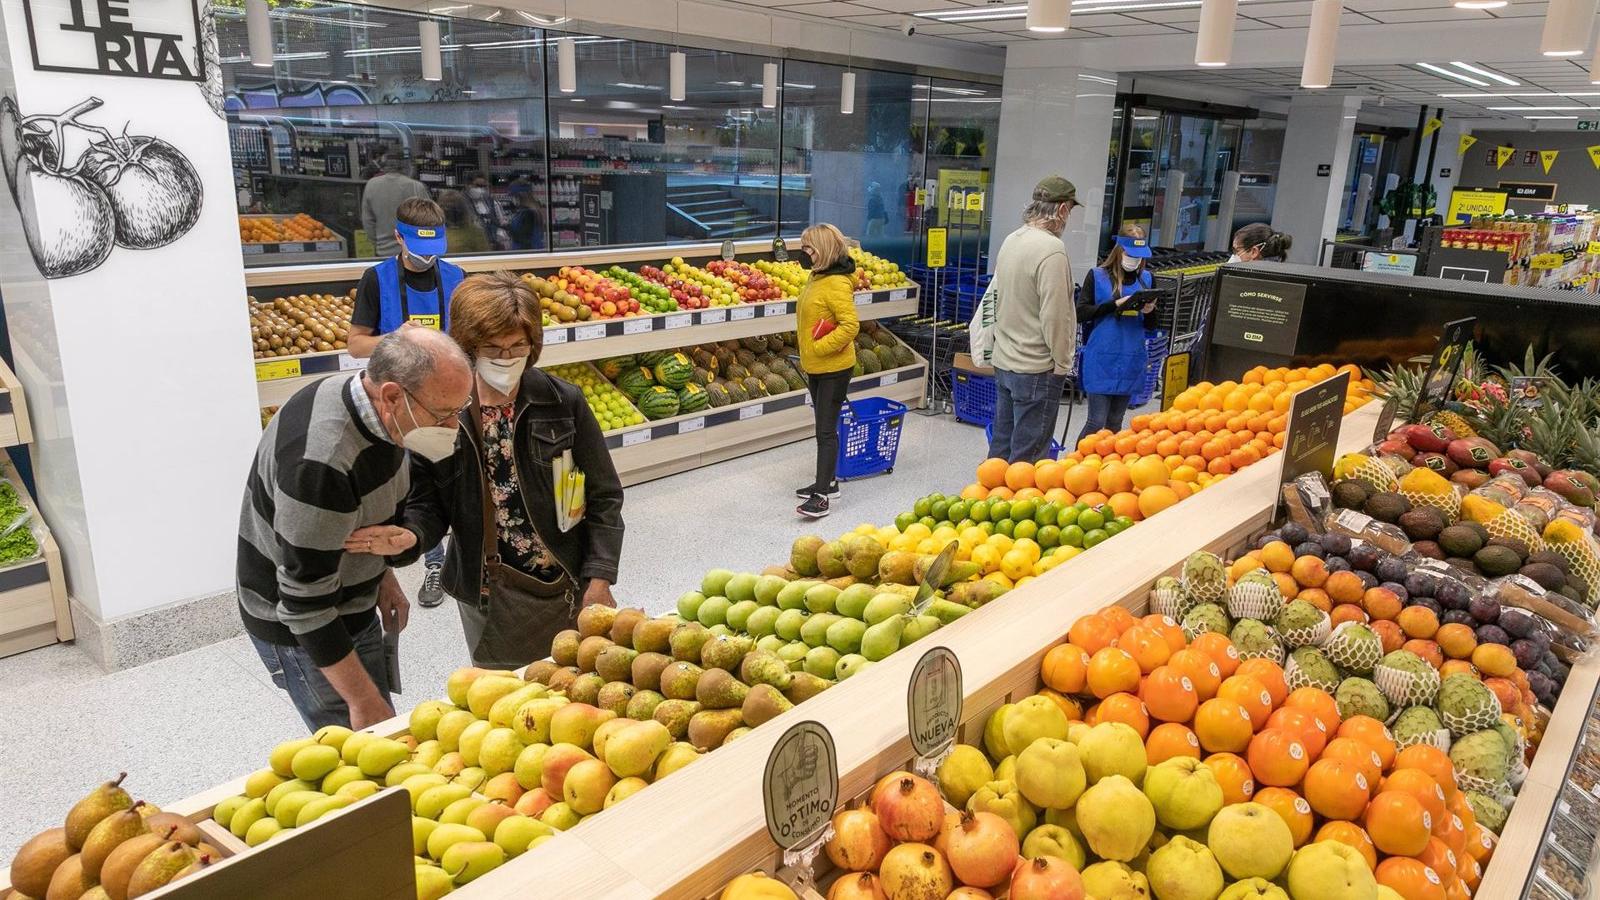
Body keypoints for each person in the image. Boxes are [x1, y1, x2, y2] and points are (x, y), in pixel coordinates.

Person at [238, 329, 473, 731]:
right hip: (303, 628)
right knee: (360, 746)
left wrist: (383, 576)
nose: (452, 425)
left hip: (347, 598)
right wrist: (362, 701)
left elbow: (366, 513)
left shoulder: (380, 413)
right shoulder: (320, 464)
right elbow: (303, 603)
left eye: (460, 409)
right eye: (442, 414)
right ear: (393, 396)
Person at [401, 273, 624, 668]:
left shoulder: (562, 401)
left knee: (576, 682)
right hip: (486, 586)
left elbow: (604, 495)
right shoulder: (440, 410)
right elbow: (427, 501)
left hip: (563, 579)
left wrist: (600, 577)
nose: (506, 359)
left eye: (517, 346)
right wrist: (409, 538)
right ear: (468, 347)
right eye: (492, 349)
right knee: (504, 701)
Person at [348, 197, 467, 608]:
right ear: (398, 237)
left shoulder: (456, 277)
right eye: (418, 249)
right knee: (412, 484)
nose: (427, 260)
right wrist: (401, 339)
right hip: (396, 405)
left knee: (450, 474)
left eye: (434, 252)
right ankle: (432, 562)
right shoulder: (376, 279)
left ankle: (460, 556)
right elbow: (355, 344)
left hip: (447, 400)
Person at [988, 175, 1078, 463]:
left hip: (1005, 361)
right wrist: (1063, 362)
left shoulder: (1011, 240)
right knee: (1028, 459)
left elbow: (997, 298)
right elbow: (1055, 316)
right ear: (1062, 210)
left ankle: (985, 504)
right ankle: (1013, 506)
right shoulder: (1051, 250)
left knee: (1000, 450)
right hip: (1035, 368)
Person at [793, 223, 860, 520]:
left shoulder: (836, 284)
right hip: (816, 366)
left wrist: (819, 348)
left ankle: (821, 497)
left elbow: (850, 325)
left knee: (826, 431)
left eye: (808, 248)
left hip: (833, 367)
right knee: (822, 426)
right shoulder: (817, 277)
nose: (803, 253)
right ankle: (828, 482)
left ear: (822, 251)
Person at [1077, 226, 1157, 440]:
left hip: (1131, 358)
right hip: (1102, 357)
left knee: (1114, 422)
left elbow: (1151, 326)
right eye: (1131, 255)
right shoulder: (1097, 276)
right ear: (1119, 250)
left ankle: (1107, 467)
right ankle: (1077, 466)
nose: (1136, 260)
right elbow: (1081, 313)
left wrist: (1150, 312)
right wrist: (1114, 305)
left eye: (1140, 257)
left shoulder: (1147, 280)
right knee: (1096, 422)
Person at [360, 157, 430, 258]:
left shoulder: (371, 185)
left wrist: (377, 243)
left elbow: (368, 222)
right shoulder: (416, 186)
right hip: (414, 252)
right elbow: (430, 221)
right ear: (407, 167)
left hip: (384, 251)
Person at [465, 173, 511, 250]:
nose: (481, 189)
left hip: (493, 242)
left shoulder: (490, 199)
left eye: (483, 186)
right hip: (474, 243)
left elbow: (500, 220)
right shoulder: (462, 202)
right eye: (477, 186)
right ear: (468, 185)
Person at [438, 190, 492, 255]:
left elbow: (485, 257)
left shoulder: (475, 232)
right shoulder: (435, 230)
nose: (451, 209)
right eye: (446, 206)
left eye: (454, 206)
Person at [507, 182, 546, 251]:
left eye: (515, 196)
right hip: (527, 252)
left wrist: (507, 227)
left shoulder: (529, 212)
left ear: (521, 196)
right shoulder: (525, 211)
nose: (513, 199)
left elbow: (523, 238)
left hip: (527, 253)